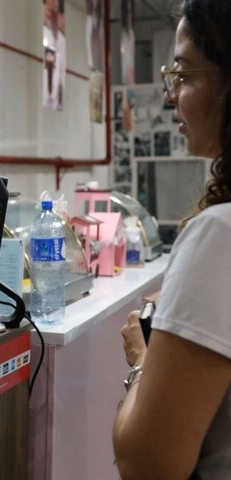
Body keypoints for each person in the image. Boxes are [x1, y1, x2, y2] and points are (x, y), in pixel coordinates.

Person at [113, 1, 231, 478]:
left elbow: (146, 465)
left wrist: (143, 360)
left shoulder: (219, 234)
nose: (170, 97)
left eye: (183, 75)